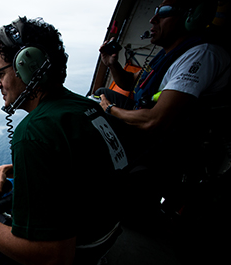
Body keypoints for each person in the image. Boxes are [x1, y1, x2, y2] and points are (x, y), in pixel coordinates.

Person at [0, 17, 128, 265]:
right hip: (104, 234)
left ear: (27, 66)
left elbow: (55, 261)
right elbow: (79, 165)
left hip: (72, 261)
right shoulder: (85, 106)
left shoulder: (32, 133)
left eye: (0, 74)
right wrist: (13, 168)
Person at [96, 0, 230, 164]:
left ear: (190, 18)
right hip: (145, 114)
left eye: (165, 12)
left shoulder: (201, 55)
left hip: (168, 137)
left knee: (99, 117)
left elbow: (156, 120)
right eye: (155, 11)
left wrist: (110, 109)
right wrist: (112, 64)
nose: (153, 19)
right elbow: (130, 82)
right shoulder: (167, 54)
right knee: (100, 94)